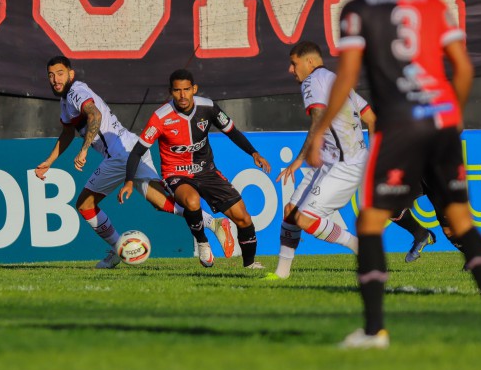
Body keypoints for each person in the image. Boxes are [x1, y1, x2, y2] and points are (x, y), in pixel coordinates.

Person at [306, 0, 481, 347]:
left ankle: (373, 330)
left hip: (399, 126)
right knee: (461, 219)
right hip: (442, 121)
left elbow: (346, 77)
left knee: (369, 222)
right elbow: (464, 68)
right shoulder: (432, 2)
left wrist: (318, 132)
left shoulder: (359, 9)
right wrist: (453, 117)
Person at [35, 57, 234, 269]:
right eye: (50, 75)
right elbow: (67, 133)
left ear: (70, 74)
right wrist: (49, 161)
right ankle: (215, 223)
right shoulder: (65, 101)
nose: (55, 79)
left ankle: (118, 248)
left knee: (85, 205)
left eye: (60, 73)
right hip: (131, 145)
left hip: (119, 155)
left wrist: (84, 149)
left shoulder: (76, 91)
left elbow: (95, 114)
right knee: (161, 202)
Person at [118, 69, 271, 269]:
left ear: (194, 89)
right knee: (191, 201)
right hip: (176, 173)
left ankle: (250, 265)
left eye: (187, 89)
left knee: (243, 217)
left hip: (207, 171)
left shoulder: (208, 108)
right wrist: (129, 181)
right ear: (170, 92)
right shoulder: (160, 117)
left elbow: (232, 132)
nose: (182, 95)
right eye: (177, 90)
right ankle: (202, 242)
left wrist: (254, 153)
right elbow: (137, 151)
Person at [271, 41, 375, 279]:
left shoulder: (312, 81)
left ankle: (358, 246)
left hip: (344, 166)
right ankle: (281, 274)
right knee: (290, 212)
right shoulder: (336, 81)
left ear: (309, 62)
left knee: (306, 219)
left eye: (293, 63)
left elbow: (317, 119)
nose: (291, 70)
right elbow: (371, 118)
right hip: (337, 162)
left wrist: (300, 160)